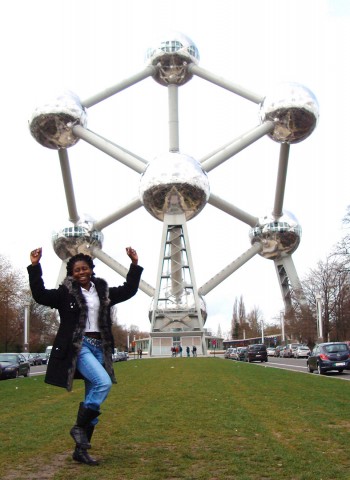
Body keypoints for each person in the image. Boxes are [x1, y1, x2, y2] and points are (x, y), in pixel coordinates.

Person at [27, 246, 143, 466]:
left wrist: (134, 265)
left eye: (84, 268)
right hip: (80, 346)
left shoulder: (103, 291)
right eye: (77, 270)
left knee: (93, 400)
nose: (81, 272)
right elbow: (40, 295)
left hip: (100, 346)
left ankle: (80, 450)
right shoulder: (64, 294)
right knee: (103, 383)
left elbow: (129, 290)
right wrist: (35, 267)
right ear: (72, 273)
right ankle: (78, 428)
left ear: (91, 269)